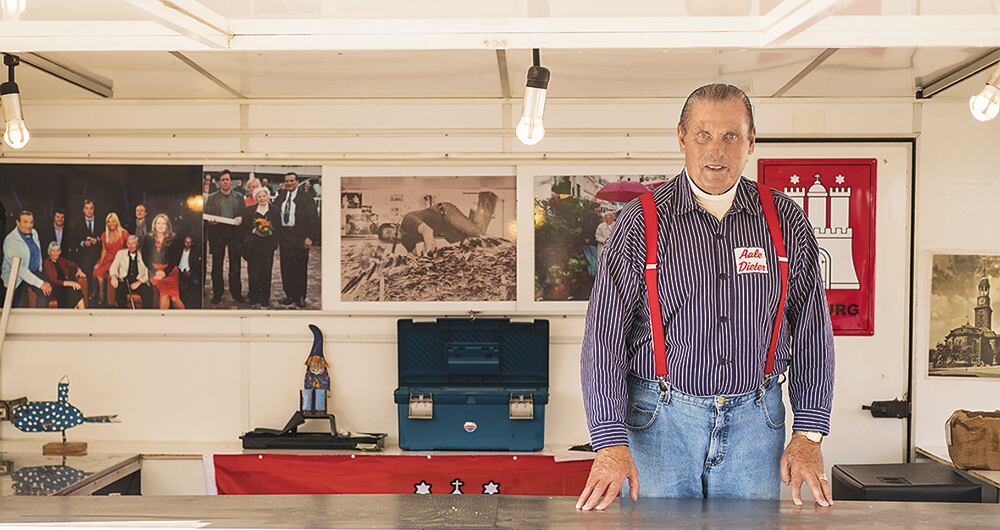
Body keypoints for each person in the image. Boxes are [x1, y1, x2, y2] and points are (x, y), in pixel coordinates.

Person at [577, 84, 835, 511]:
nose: (716, 150)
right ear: (682, 138)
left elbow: (811, 332)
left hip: (756, 422)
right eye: (703, 135)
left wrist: (808, 433)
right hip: (658, 423)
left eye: (731, 136)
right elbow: (603, 337)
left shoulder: (784, 220)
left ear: (751, 141)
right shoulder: (640, 223)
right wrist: (609, 441)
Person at [274, 172, 319, 308]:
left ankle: (300, 297)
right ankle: (289, 295)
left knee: (300, 268)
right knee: (286, 268)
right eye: (287, 181)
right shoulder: (281, 196)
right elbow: (273, 211)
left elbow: (313, 218)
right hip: (285, 236)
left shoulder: (306, 197)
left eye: (292, 181)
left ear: (297, 182)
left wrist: (310, 237)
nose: (289, 183)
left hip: (301, 236)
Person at [203, 169, 245, 304]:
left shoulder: (239, 196)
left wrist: (241, 218)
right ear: (219, 182)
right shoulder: (212, 197)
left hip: (235, 235)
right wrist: (210, 221)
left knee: (235, 265)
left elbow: (244, 214)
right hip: (217, 234)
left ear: (231, 182)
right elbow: (207, 215)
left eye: (227, 179)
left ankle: (236, 293)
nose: (225, 182)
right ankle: (217, 293)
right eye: (223, 180)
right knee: (217, 266)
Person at [2, 211, 52, 307]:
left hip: (33, 272)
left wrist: (42, 274)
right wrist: (40, 283)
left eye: (31, 222)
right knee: (17, 307)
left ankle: (38, 320)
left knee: (47, 293)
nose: (29, 226)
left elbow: (38, 254)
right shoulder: (10, 241)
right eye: (25, 222)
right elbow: (19, 269)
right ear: (17, 222)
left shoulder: (34, 233)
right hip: (16, 277)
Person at [244, 187, 280, 308]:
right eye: (259, 196)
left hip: (267, 247)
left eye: (264, 196)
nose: (262, 198)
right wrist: (254, 231)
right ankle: (253, 297)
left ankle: (264, 297)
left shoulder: (274, 211)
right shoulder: (250, 211)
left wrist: (271, 232)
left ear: (268, 197)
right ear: (256, 198)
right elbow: (245, 227)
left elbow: (278, 228)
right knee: (253, 271)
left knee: (266, 271)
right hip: (254, 246)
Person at [143, 214, 184, 309]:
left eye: (163, 224)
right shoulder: (148, 238)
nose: (161, 226)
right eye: (158, 223)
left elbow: (176, 258)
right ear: (155, 225)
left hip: (170, 270)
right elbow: (145, 257)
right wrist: (154, 271)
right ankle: (163, 320)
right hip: (154, 271)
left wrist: (165, 272)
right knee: (164, 294)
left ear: (167, 226)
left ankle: (187, 320)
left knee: (174, 299)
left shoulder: (174, 238)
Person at [92, 212, 129, 307]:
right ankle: (101, 294)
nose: (111, 224)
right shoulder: (105, 234)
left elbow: (128, 250)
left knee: (111, 276)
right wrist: (100, 262)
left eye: (113, 221)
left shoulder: (124, 233)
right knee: (98, 272)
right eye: (108, 222)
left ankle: (112, 300)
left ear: (117, 222)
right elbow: (104, 250)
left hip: (119, 259)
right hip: (108, 258)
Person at [109, 235, 154, 309]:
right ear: (126, 244)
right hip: (124, 281)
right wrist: (114, 276)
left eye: (133, 243)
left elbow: (146, 272)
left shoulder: (143, 255)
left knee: (148, 293)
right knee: (119, 293)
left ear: (137, 244)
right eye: (129, 243)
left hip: (139, 281)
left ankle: (145, 316)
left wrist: (139, 282)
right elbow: (113, 267)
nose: (131, 246)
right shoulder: (120, 254)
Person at [41, 242, 87, 309]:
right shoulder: (46, 262)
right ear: (49, 252)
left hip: (65, 286)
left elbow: (73, 264)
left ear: (60, 251)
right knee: (74, 293)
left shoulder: (61, 259)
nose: (56, 253)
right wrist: (71, 283)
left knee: (77, 292)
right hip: (55, 288)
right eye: (53, 251)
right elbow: (54, 280)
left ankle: (82, 316)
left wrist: (79, 270)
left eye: (58, 250)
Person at [74, 199, 103, 306]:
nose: (89, 211)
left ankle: (99, 298)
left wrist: (97, 240)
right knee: (87, 269)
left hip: (99, 255)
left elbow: (104, 237)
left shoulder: (101, 221)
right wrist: (83, 243)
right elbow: (74, 241)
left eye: (91, 208)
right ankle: (89, 296)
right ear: (83, 210)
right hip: (84, 256)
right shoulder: (77, 222)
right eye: (87, 208)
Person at [177, 234, 202, 309]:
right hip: (179, 272)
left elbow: (196, 265)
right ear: (183, 242)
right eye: (186, 242)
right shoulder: (179, 250)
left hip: (189, 273)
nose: (187, 244)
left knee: (194, 285)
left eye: (189, 242)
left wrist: (191, 272)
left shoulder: (194, 252)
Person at [581, 203, 602, 277]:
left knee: (588, 257)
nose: (600, 208)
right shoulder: (594, 216)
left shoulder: (586, 214)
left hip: (584, 239)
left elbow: (583, 226)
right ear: (595, 208)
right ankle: (594, 275)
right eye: (599, 207)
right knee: (594, 257)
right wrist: (588, 238)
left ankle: (590, 273)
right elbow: (590, 227)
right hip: (591, 240)